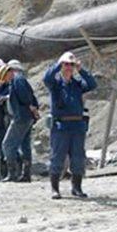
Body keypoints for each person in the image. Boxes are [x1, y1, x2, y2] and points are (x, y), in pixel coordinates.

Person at [43, 51, 97, 199]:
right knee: (57, 157)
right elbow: (46, 78)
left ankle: (77, 188)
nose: (68, 67)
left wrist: (81, 70)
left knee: (78, 158)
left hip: (77, 125)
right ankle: (55, 189)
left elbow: (92, 84)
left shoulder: (77, 84)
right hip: (61, 126)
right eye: (66, 64)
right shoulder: (55, 84)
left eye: (71, 65)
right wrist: (57, 64)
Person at [1, 60, 39, 183]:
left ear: (10, 71)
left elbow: (26, 98)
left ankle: (12, 174)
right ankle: (26, 174)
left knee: (7, 144)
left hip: (21, 118)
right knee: (25, 145)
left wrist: (30, 108)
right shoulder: (20, 80)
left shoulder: (17, 80)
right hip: (26, 117)